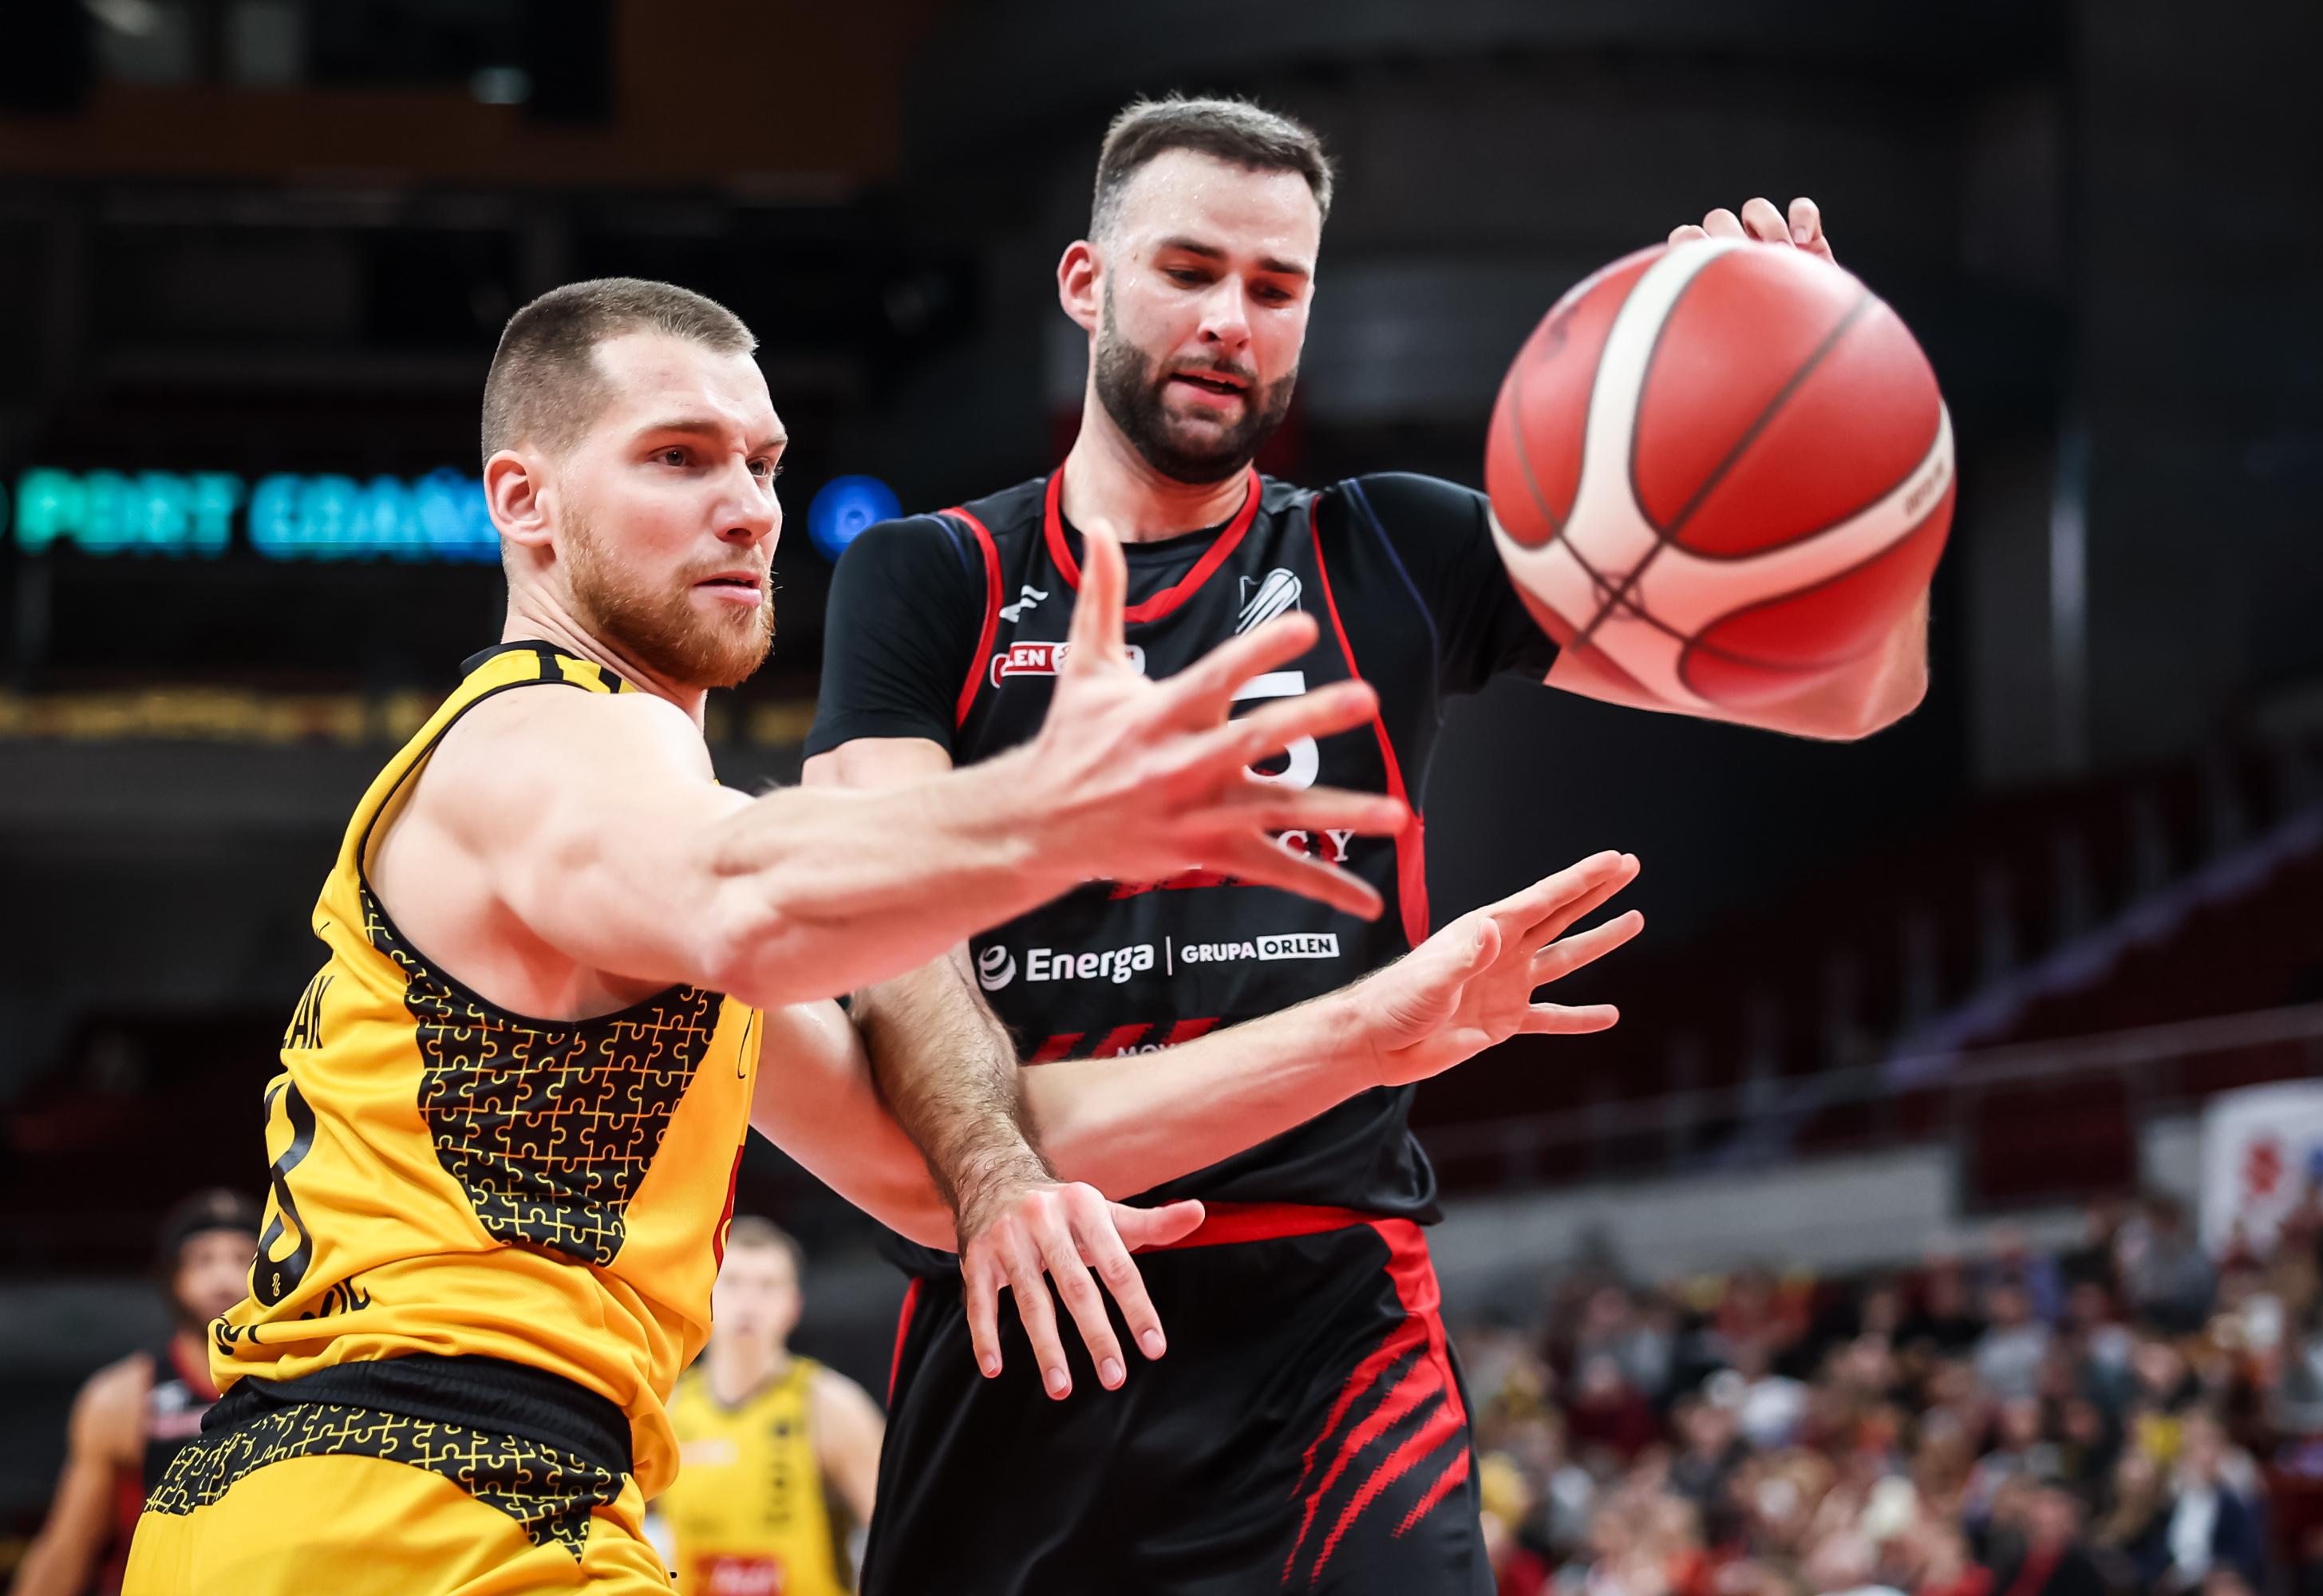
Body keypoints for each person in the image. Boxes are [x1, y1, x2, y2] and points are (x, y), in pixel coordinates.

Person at [126, 276, 1642, 1596]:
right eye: (676, 457)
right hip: (421, 1508)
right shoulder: (547, 735)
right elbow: (748, 895)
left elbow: (925, 1174)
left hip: (326, 1510)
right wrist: (1049, 809)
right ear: (523, 502)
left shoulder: (642, 863)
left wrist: (1373, 1033)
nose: (747, 506)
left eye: (763, 463)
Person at [804, 94, 1926, 1593]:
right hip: (1023, 1298)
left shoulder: (1394, 544)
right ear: (1086, 283)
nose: (1231, 320)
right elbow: (888, 932)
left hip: (1330, 1329)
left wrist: (1852, 421)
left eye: (1276, 288)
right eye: (1188, 271)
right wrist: (996, 1175)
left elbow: (1851, 695)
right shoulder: (930, 574)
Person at [9, 1191, 250, 1596]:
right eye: (203, 1260)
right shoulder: (122, 1397)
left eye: (242, 1259)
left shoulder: (298, 1381)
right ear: (172, 1276)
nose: (223, 1279)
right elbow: (67, 1550)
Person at [654, 1218, 880, 1596]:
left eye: (768, 1286)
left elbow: (897, 1537)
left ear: (793, 1306)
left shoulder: (832, 1406)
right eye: (733, 1283)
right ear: (704, 1296)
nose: (749, 1303)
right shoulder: (666, 1409)